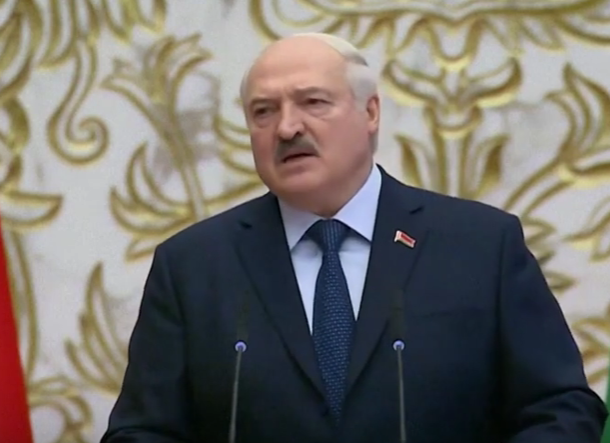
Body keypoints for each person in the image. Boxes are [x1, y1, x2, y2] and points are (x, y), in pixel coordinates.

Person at [101, 33, 608, 443]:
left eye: (312, 102)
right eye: (263, 112)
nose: (287, 127)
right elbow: (142, 430)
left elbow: (560, 408)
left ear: (370, 113)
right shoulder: (193, 266)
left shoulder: (480, 245)